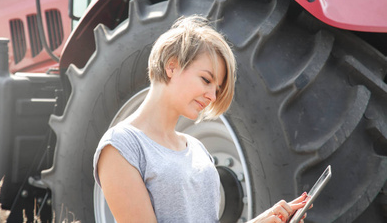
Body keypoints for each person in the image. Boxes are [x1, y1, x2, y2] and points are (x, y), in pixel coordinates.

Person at [93, 15, 309, 223]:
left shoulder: (196, 148)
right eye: (206, 79)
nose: (213, 96)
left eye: (217, 89)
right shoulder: (121, 147)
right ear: (171, 66)